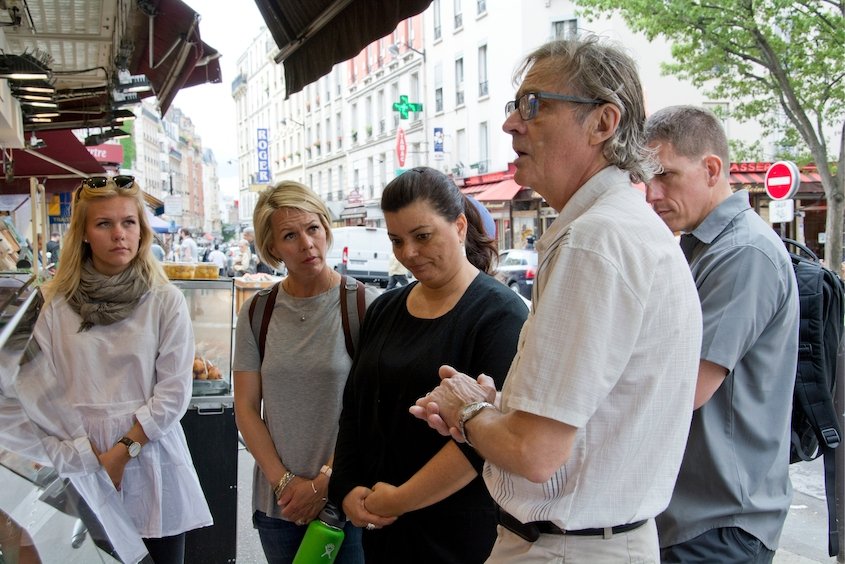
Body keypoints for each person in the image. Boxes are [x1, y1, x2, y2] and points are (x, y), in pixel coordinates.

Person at [411, 36, 702, 562]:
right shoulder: (618, 227)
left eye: (534, 105)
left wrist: (469, 409)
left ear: (603, 123)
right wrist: (498, 412)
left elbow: (535, 453)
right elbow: (591, 422)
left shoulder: (595, 239)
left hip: (565, 547)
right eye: (514, 105)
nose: (511, 124)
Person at [329, 167, 529, 563]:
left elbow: (484, 443)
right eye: (396, 240)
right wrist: (348, 486)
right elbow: (354, 410)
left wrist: (401, 499)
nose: (408, 253)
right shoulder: (385, 308)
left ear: (458, 226)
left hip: (459, 535)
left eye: (421, 236)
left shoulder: (499, 314)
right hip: (382, 528)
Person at [644, 106, 799, 563]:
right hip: (696, 516)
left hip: (719, 521)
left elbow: (686, 388)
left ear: (711, 169)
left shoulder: (744, 253)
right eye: (646, 178)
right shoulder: (702, 248)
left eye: (666, 176)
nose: (651, 194)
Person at [34, 176, 212, 562]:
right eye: (104, 224)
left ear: (142, 230)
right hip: (79, 460)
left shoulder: (165, 300)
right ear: (83, 233)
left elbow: (173, 394)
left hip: (150, 461)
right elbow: (41, 393)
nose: (119, 234)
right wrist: (87, 457)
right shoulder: (56, 306)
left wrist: (119, 453)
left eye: (129, 222)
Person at [233, 181, 380, 564]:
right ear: (272, 248)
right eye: (289, 235)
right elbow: (247, 408)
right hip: (278, 503)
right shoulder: (256, 313)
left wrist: (324, 482)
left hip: (348, 502)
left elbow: (372, 408)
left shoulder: (363, 305)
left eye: (312, 228)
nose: (306, 243)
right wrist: (284, 482)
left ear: (326, 228)